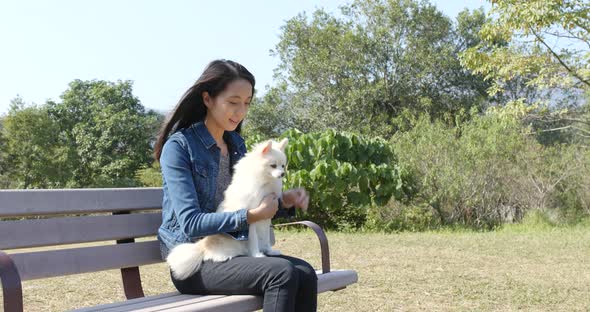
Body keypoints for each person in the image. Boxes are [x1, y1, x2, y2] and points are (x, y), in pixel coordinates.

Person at [153, 59, 317, 312]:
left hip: (235, 249)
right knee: (281, 273)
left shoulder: (236, 145)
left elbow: (249, 205)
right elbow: (191, 224)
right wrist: (251, 215)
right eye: (233, 102)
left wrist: (283, 202)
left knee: (305, 273)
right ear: (207, 99)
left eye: (247, 103)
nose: (240, 112)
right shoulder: (180, 147)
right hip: (199, 258)